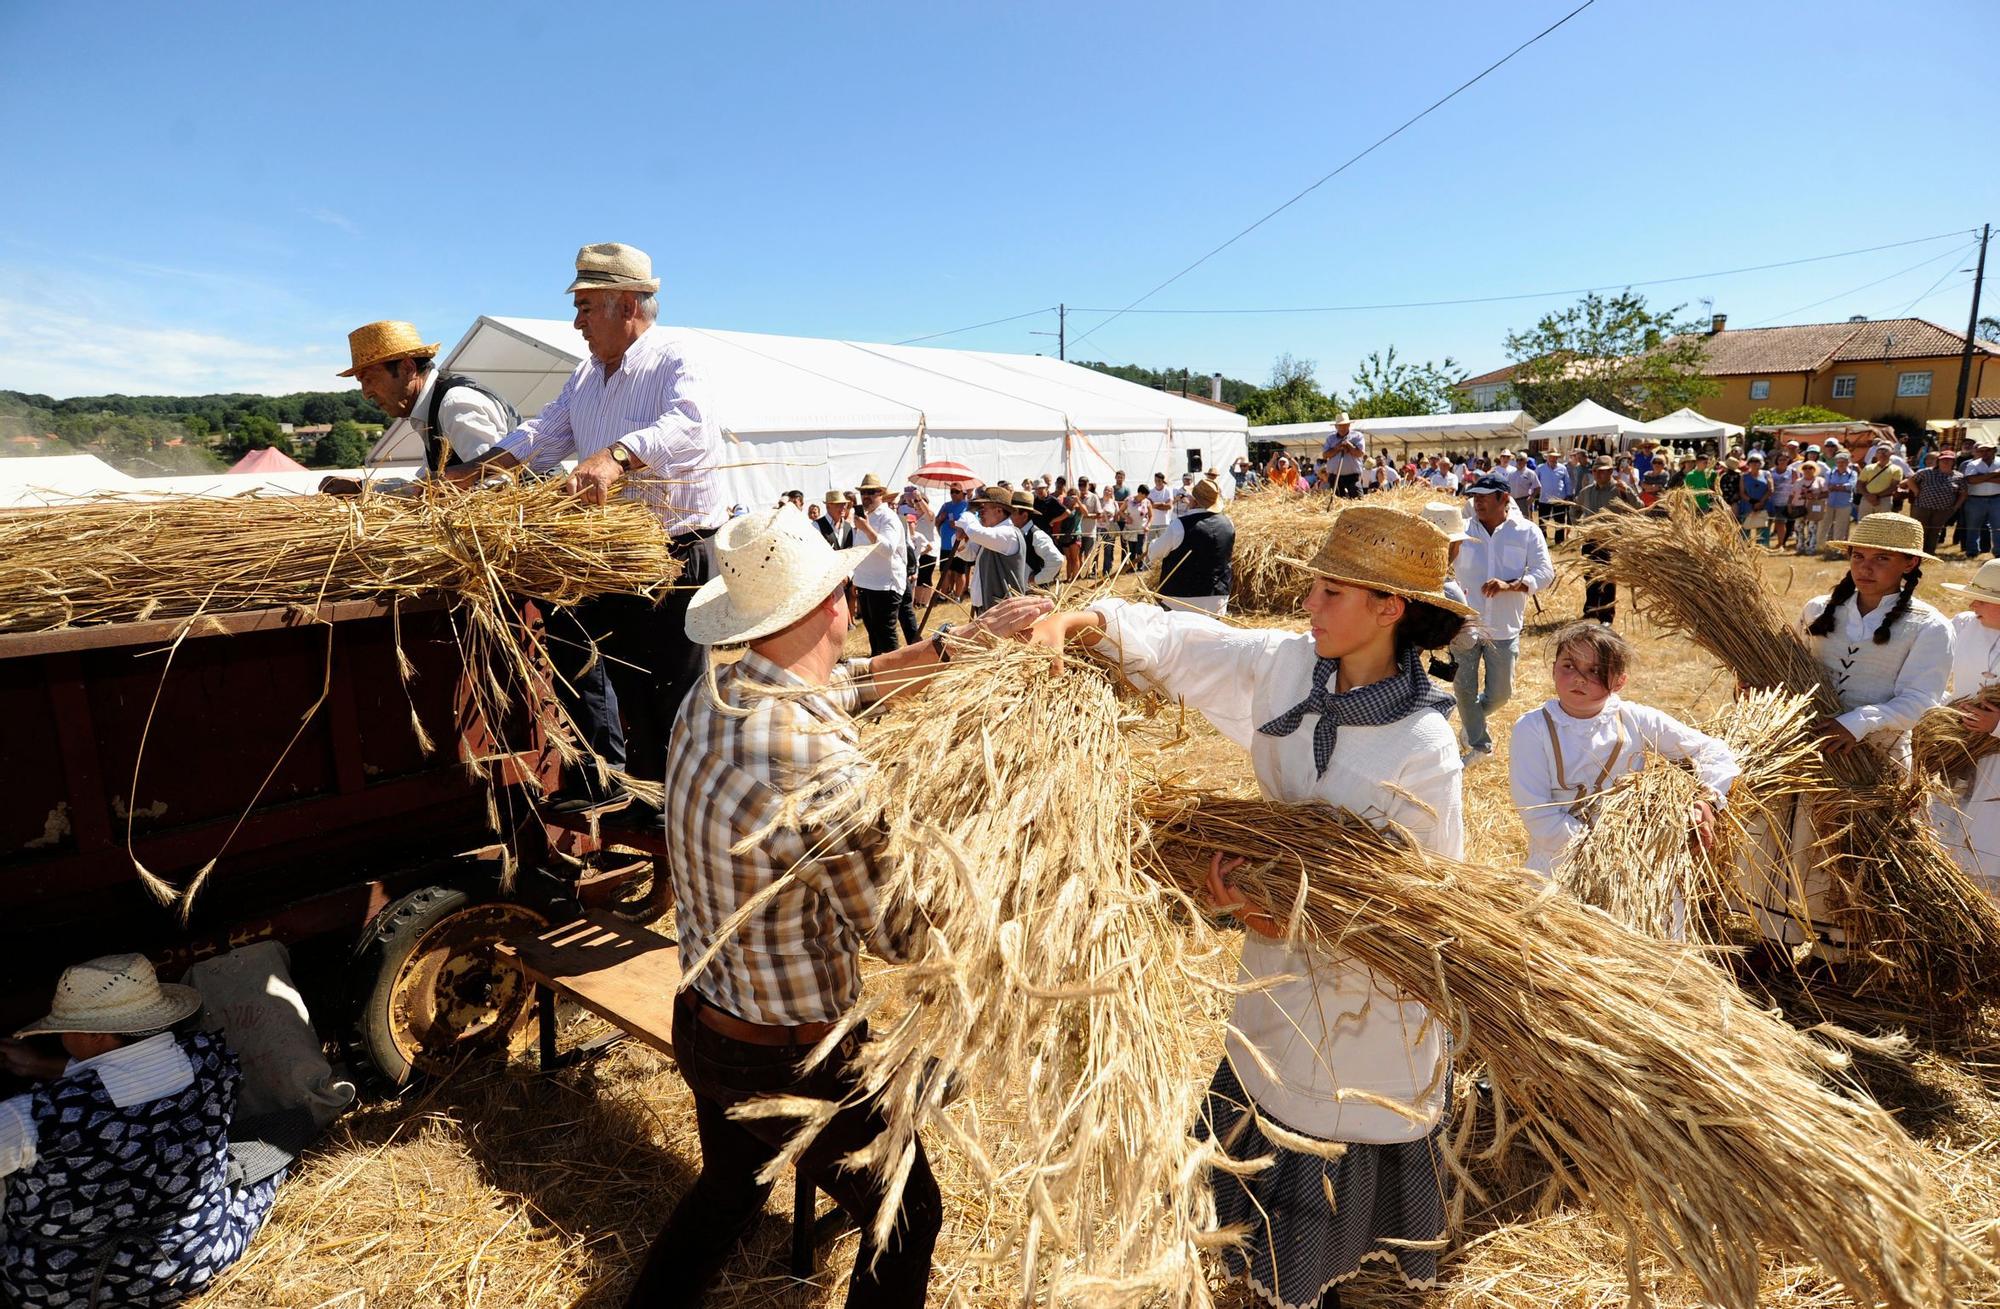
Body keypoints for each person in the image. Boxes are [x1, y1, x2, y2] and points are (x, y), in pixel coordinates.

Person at [1026, 506, 1474, 1307]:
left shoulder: (1423, 747)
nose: (1309, 604)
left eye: (1331, 591)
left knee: (1322, 1218)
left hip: (1364, 1012)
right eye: (1315, 586)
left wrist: (1291, 917)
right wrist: (1085, 620)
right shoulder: (1291, 667)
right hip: (1277, 989)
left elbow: (1420, 912)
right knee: (1259, 1153)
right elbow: (1190, 645)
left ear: (1389, 608)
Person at [634, 506, 1047, 1307]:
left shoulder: (716, 690)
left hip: (706, 1020)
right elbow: (902, 930)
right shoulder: (821, 764)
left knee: (730, 1188)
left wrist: (958, 645)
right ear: (838, 603)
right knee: (907, 1213)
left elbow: (847, 685)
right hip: (786, 1055)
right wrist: (1010, 873)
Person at [449, 242, 724, 813]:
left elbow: (690, 429)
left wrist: (616, 456)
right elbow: (545, 434)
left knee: (668, 689)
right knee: (598, 669)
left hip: (673, 549)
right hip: (610, 552)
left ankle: (683, 809)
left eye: (586, 306)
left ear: (628, 304)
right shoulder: (586, 375)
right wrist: (473, 472)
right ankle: (622, 787)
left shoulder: (677, 357)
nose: (576, 322)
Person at [1, 954, 282, 1308]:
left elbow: (105, 1093)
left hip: (63, 1292)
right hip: (192, 1263)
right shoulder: (211, 1060)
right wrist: (42, 1066)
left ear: (98, 1037)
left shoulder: (30, 1116)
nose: (59, 1034)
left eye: (65, 1026)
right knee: (271, 1143)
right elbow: (129, 1079)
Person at [1743, 513, 1951, 959]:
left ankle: (1835, 955)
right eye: (1858, 556)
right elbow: (1790, 670)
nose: (1866, 567)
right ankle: (1774, 942)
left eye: (1882, 558)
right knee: (1785, 840)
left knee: (1845, 856)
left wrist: (1856, 723)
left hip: (1876, 756)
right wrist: (1759, 686)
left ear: (1909, 566)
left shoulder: (1929, 625)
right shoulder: (1819, 609)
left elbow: (1920, 700)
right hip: (1808, 746)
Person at [1508, 623, 1739, 937]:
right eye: (1569, 666)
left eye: (1595, 670)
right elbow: (1538, 813)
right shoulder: (1532, 728)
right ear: (1553, 669)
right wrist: (1599, 852)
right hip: (1560, 860)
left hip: (1636, 862)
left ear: (1619, 681)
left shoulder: (1635, 719)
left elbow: (1711, 750)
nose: (1578, 678)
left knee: (1651, 946)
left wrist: (1707, 798)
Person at [324, 320, 516, 488]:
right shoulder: (430, 408)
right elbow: (425, 485)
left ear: (408, 368)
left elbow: (494, 484)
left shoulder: (456, 405)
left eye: (370, 379)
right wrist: (364, 487)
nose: (366, 394)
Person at [1453, 475, 1555, 764]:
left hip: (1504, 625)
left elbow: (1544, 572)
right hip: (1465, 623)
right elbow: (1441, 566)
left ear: (1504, 498)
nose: (1478, 502)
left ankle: (1470, 718)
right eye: (1475, 496)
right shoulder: (1461, 531)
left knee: (1501, 695)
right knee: (1464, 687)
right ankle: (1479, 744)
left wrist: (1512, 585)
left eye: (1485, 496)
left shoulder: (1527, 532)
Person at [1934, 559, 2000, 909]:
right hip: (1954, 753)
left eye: (1982, 598)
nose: (1971, 604)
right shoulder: (1961, 626)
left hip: (1998, 766)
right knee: (1945, 833)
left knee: (1989, 845)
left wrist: (1996, 726)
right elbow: (1929, 677)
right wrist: (1946, 709)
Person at [1148, 475, 1236, 616]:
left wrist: (1152, 544)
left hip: (1181, 600)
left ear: (1194, 501)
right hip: (1218, 599)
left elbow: (1154, 554)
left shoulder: (1180, 525)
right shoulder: (1228, 523)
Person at [1573, 456, 1640, 625]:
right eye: (1595, 471)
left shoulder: (1620, 489)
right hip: (1590, 540)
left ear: (1610, 472)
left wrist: (1628, 491)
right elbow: (1574, 509)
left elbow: (1639, 507)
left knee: (1608, 580)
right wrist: (1579, 526)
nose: (1598, 474)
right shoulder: (1587, 491)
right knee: (1590, 577)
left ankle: (1606, 616)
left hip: (1610, 541)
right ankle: (1590, 611)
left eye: (1602, 471)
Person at [849, 473, 909, 656]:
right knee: (873, 633)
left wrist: (866, 528)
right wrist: (855, 578)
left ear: (880, 494)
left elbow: (888, 549)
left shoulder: (888, 518)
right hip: (866, 583)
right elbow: (858, 549)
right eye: (863, 492)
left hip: (885, 585)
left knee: (885, 634)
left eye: (871, 492)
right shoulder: (865, 518)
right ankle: (879, 669)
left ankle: (894, 672)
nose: (866, 496)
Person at [955, 485, 1030, 614]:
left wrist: (967, 515)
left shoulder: (1008, 533)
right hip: (989, 609)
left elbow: (975, 532)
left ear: (999, 511)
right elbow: (969, 554)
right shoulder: (993, 534)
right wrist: (961, 539)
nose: (980, 513)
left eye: (984, 508)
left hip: (1004, 612)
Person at [1903, 449, 1966, 557]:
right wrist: (1917, 491)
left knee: (1935, 531)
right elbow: (1910, 480)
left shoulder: (1959, 477)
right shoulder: (1926, 472)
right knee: (1919, 530)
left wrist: (1955, 507)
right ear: (1938, 461)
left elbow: (1963, 493)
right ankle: (1915, 553)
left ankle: (1929, 553)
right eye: (1943, 460)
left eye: (1949, 460)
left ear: (1953, 462)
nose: (1946, 462)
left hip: (1943, 510)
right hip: (1922, 507)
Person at [1010, 490, 1064, 588]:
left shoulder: (1037, 535)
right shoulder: (1018, 533)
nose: (1009, 516)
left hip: (1034, 594)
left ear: (1024, 516)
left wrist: (1036, 579)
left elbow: (1057, 560)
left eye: (1013, 512)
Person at [1960, 441, 2000, 559]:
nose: (1984, 453)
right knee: (1973, 527)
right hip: (1975, 500)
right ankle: (1972, 551)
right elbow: (1971, 480)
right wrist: (1994, 474)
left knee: (1998, 527)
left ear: (1994, 450)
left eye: (1987, 450)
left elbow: (1975, 479)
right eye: (1981, 450)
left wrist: (1981, 477)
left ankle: (1998, 552)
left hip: (1997, 499)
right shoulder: (1973, 464)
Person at [1321, 413, 1366, 498]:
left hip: (1353, 477)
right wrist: (1338, 448)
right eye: (1340, 426)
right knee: (1336, 501)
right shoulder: (1330, 438)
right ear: (1336, 427)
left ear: (1349, 425)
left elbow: (1360, 453)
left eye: (1345, 425)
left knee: (1358, 500)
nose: (1342, 428)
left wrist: (1348, 445)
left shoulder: (1357, 436)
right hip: (1335, 476)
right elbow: (1325, 455)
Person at [1822, 451, 1858, 550]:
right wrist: (1841, 487)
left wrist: (1835, 487)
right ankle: (1824, 547)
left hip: (1845, 504)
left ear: (1847, 463)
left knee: (1841, 527)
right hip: (1829, 503)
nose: (1841, 464)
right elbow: (1827, 486)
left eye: (1843, 462)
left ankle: (1838, 549)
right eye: (1838, 462)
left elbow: (1851, 486)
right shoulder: (1830, 473)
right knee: (1825, 525)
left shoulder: (1852, 474)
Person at [1793, 460, 1828, 556]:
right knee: (1798, 527)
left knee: (1812, 528)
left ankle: (1811, 548)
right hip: (1799, 506)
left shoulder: (1820, 480)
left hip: (1814, 507)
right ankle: (1800, 547)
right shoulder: (1798, 481)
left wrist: (1815, 496)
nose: (1807, 470)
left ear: (1814, 469)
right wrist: (1790, 505)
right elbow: (1793, 494)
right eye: (1805, 468)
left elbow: (1826, 493)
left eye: (1810, 468)